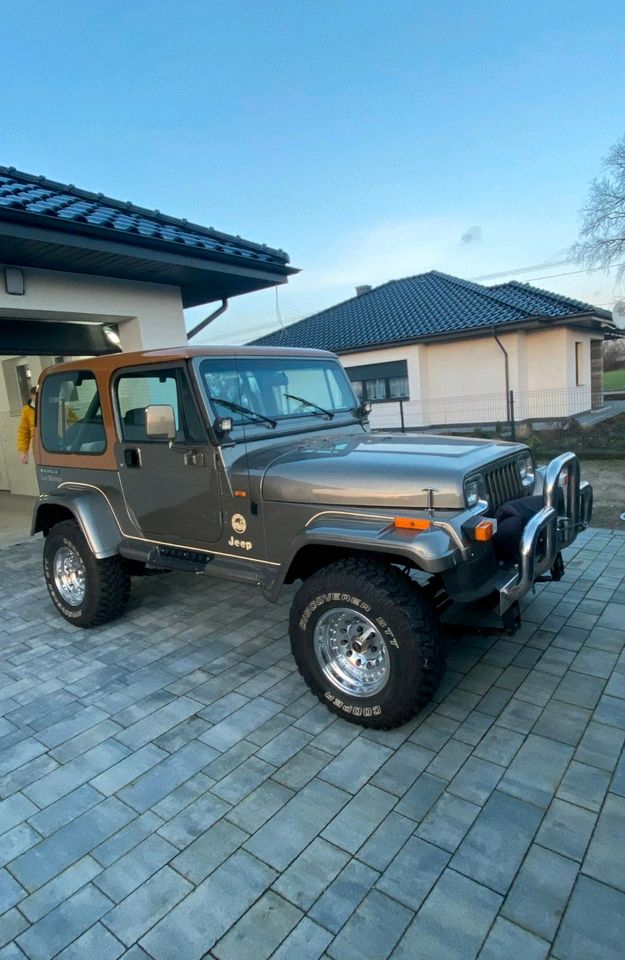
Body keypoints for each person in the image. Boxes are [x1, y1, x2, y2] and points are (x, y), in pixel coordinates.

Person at [17, 387, 37, 465]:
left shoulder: (54, 405)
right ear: (31, 397)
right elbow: (23, 432)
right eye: (35, 399)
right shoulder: (27, 410)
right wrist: (23, 450)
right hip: (38, 447)